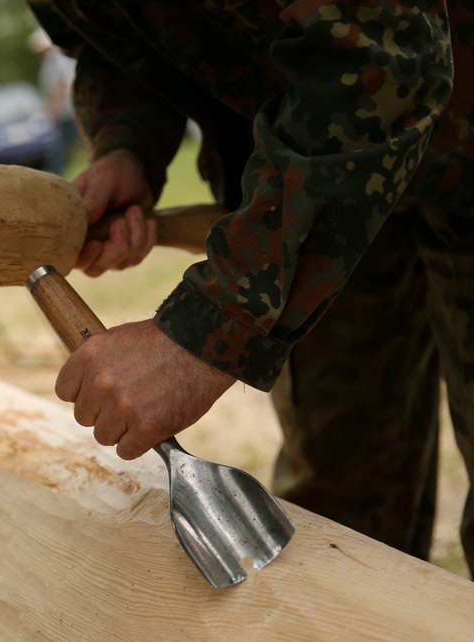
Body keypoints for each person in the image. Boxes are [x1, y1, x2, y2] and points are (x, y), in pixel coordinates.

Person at [26, 1, 473, 577]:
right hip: (306, 187)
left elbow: (383, 42)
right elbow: (115, 43)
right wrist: (127, 144)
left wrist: (207, 327)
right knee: (344, 507)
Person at [28, 28, 83, 177]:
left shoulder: (57, 60)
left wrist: (53, 107)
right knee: (61, 149)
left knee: (65, 147)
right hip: (64, 114)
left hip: (68, 112)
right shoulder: (52, 61)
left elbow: (62, 85)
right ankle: (58, 175)